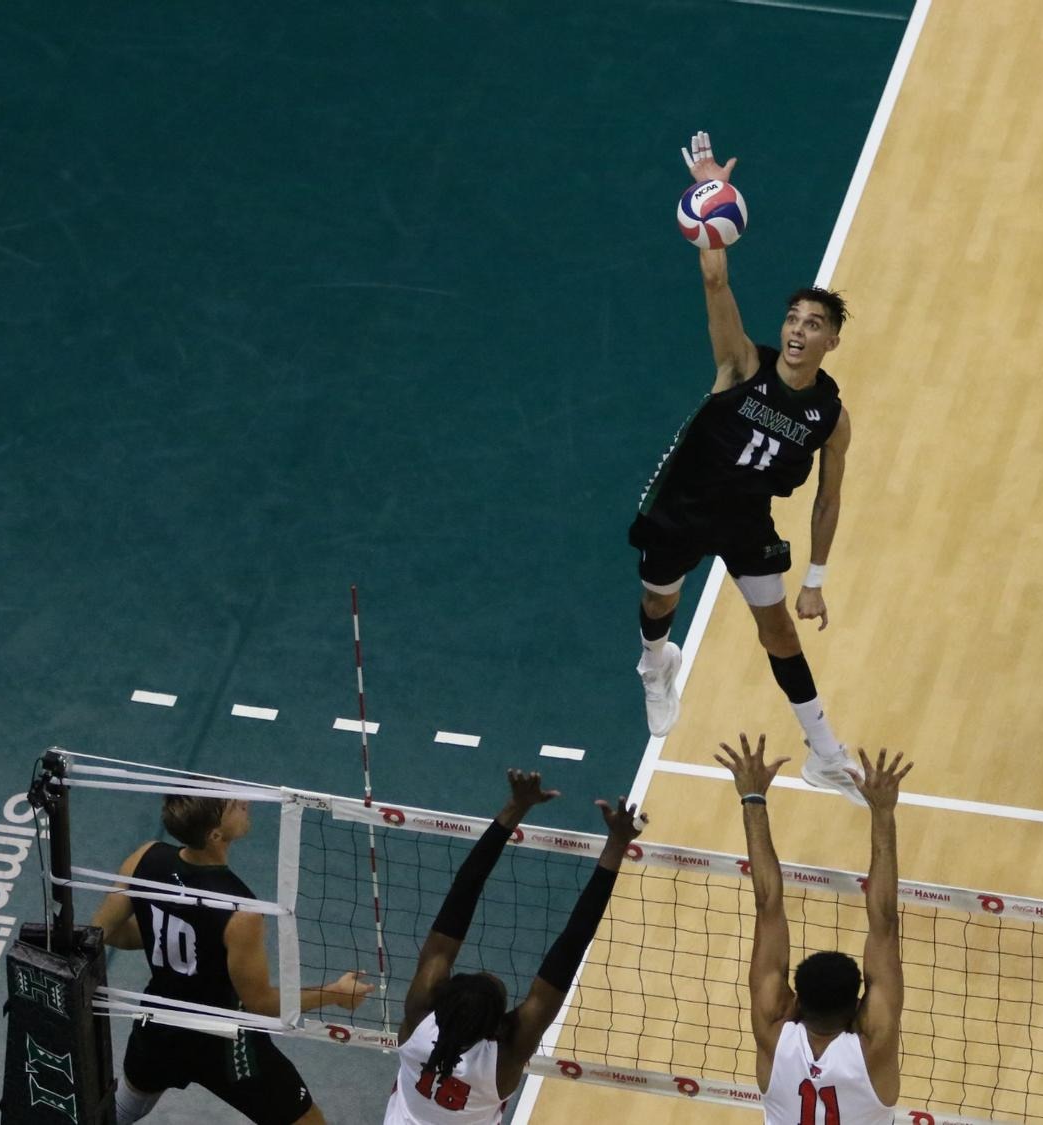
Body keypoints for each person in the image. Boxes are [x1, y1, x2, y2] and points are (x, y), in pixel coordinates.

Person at [632, 130, 863, 806]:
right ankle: (655, 663)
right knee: (658, 600)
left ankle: (825, 754)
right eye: (792, 318)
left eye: (812, 323)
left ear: (831, 340)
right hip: (683, 499)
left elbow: (828, 499)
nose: (796, 329)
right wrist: (709, 190)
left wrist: (816, 579)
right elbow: (714, 277)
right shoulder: (742, 362)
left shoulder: (832, 414)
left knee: (780, 630)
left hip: (744, 519)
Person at [91, 795, 373, 1125]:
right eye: (233, 805)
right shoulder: (242, 912)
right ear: (215, 835)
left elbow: (105, 932)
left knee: (118, 1113)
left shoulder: (146, 858)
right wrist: (335, 995)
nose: (245, 803)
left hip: (158, 1029)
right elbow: (261, 1004)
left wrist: (167, 934)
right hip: (225, 1045)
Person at [382, 770, 645, 1124]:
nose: (487, 973)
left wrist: (514, 809)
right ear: (496, 1027)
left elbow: (462, 899)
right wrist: (615, 847)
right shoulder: (498, 1061)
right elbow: (569, 946)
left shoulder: (420, 1022)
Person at [714, 733, 908, 1124]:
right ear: (858, 1006)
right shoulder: (874, 1048)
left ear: (795, 1003)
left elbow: (768, 906)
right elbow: (883, 923)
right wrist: (882, 812)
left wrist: (753, 799)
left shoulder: (773, 1032)